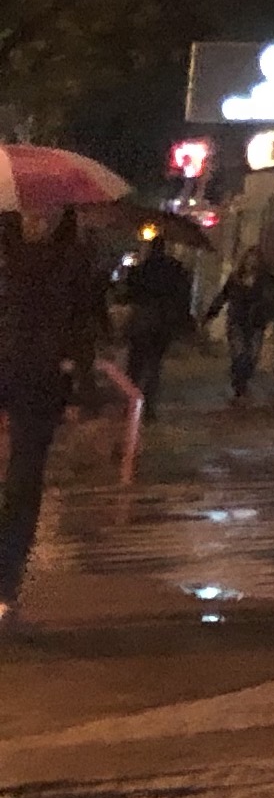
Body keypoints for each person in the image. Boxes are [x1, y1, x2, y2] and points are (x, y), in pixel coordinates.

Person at [1, 207, 106, 631]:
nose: (39, 220)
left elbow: (84, 327)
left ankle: (5, 581)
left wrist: (82, 388)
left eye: (49, 211)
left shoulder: (74, 260)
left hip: (42, 379)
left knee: (24, 480)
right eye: (32, 211)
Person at [115, 229, 194, 401]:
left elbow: (128, 293)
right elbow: (182, 294)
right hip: (164, 320)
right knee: (154, 362)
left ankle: (132, 397)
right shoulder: (175, 269)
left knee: (136, 361)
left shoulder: (142, 269)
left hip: (143, 318)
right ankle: (149, 400)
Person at [218, 249, 274, 405]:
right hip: (237, 322)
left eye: (255, 260)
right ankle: (239, 389)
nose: (252, 263)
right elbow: (222, 296)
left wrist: (268, 313)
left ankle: (242, 382)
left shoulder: (266, 280)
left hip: (256, 323)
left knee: (252, 356)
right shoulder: (235, 279)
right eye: (249, 259)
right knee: (240, 354)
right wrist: (210, 314)